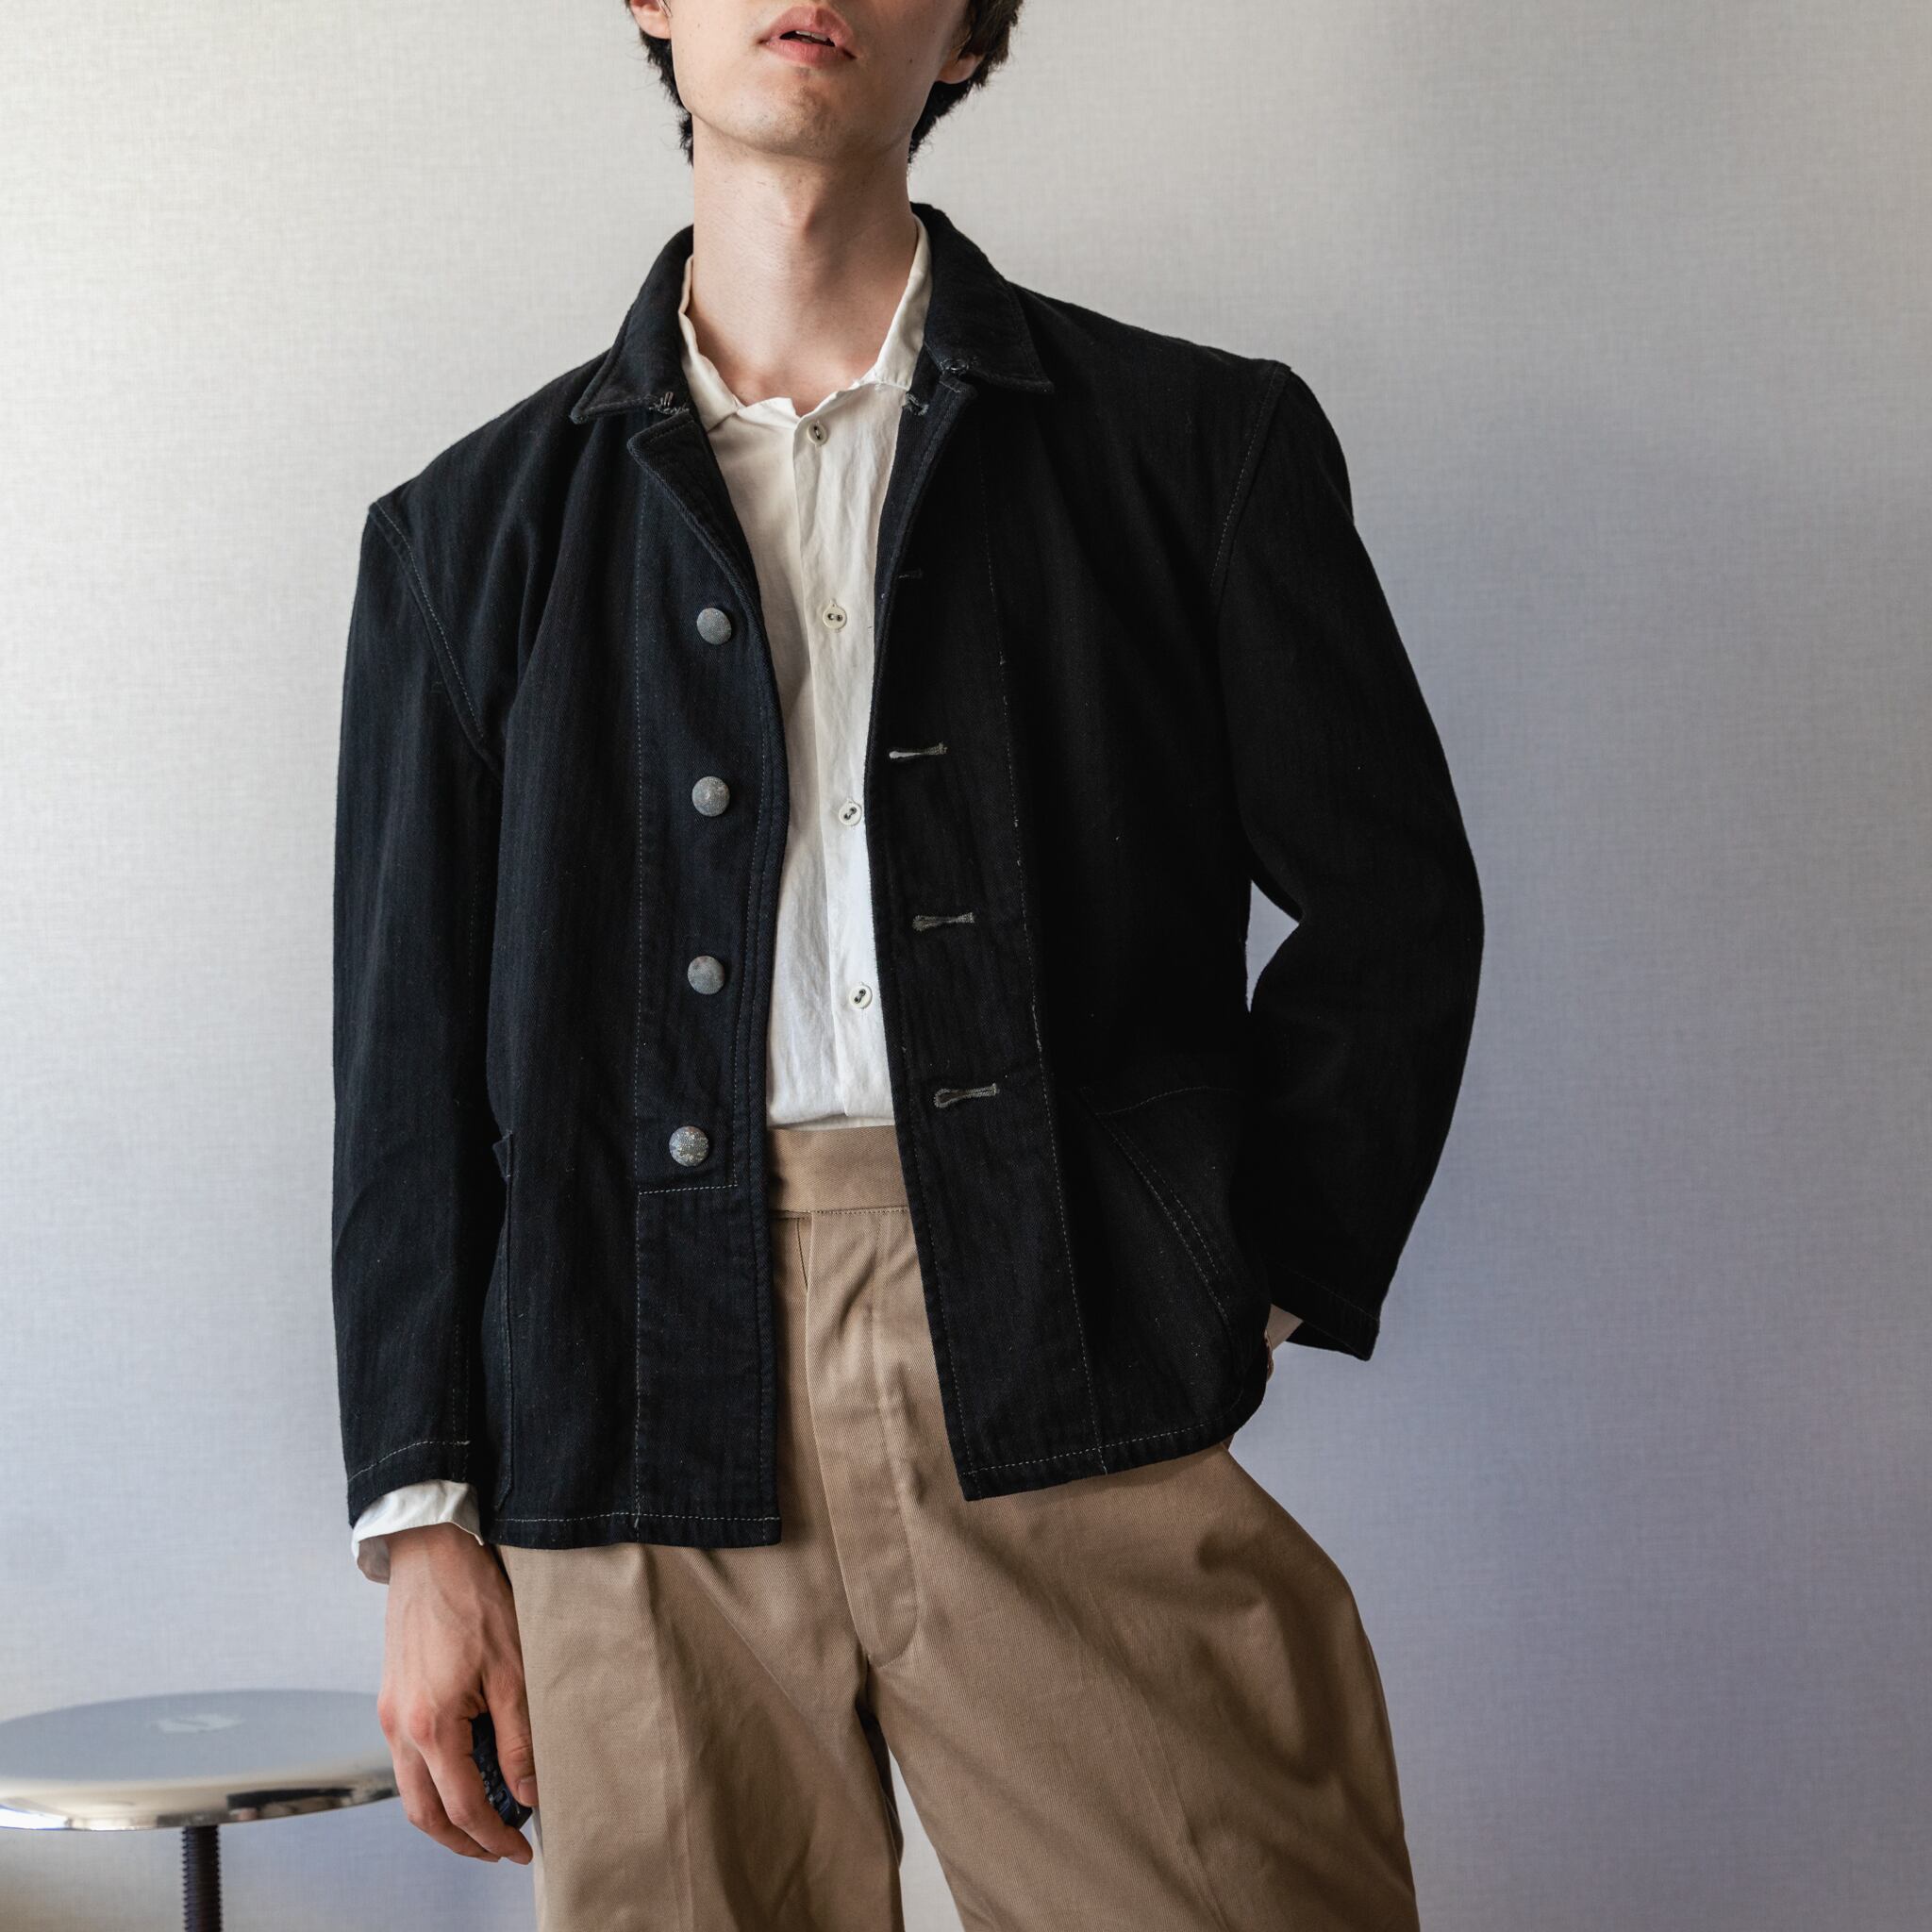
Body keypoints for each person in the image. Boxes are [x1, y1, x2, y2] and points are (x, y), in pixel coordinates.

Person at [329, 1, 1484, 1924]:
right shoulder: (465, 541)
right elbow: (406, 1073)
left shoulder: (1196, 448)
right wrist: (425, 1527)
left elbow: (1395, 907)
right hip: (625, 1391)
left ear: (967, 35)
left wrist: (1234, 1270)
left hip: (1060, 1333)